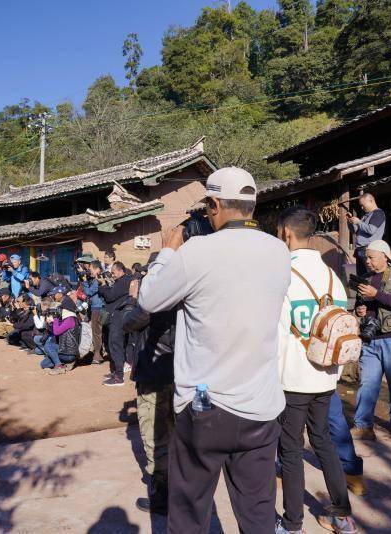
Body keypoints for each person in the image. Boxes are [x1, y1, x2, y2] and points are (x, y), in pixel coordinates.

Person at [137, 167, 291, 534]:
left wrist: (168, 253)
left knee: (190, 511)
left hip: (206, 408)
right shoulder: (279, 252)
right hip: (261, 408)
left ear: (214, 204)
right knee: (257, 512)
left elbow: (149, 299)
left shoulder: (196, 252)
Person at [274, 206, 359, 534]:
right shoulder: (332, 277)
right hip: (326, 375)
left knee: (291, 448)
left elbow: (280, 335)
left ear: (286, 233)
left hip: (293, 378)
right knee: (323, 441)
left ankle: (293, 523)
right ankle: (342, 515)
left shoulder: (285, 275)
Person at [352, 240, 391, 440]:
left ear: (385, 256)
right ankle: (363, 425)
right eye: (366, 257)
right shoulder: (366, 279)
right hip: (370, 340)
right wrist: (360, 310)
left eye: (371, 257)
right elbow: (364, 307)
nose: (367, 261)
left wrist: (376, 294)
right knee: (367, 384)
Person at [123, 299, 176, 516]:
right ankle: (180, 489)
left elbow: (130, 321)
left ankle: (163, 497)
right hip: (182, 370)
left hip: (155, 372)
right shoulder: (193, 284)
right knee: (177, 434)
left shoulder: (159, 290)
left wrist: (133, 301)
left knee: (155, 436)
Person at [99, 261, 133, 386]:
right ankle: (116, 372)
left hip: (119, 317)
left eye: (113, 273)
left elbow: (110, 296)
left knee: (115, 344)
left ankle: (119, 377)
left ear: (120, 270)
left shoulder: (124, 281)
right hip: (119, 316)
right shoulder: (122, 281)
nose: (112, 275)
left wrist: (103, 286)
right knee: (116, 345)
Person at [39, 286, 81, 375]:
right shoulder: (66, 318)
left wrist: (55, 319)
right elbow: (56, 330)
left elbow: (57, 332)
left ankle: (59, 366)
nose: (58, 310)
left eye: (60, 309)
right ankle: (65, 363)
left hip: (70, 351)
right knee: (44, 364)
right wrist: (51, 322)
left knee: (48, 346)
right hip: (65, 348)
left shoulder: (70, 319)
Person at [348, 193, 386, 276]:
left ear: (371, 201)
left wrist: (358, 222)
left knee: (371, 276)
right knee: (362, 276)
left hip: (369, 249)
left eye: (363, 205)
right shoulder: (366, 216)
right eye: (360, 206)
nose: (362, 208)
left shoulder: (378, 213)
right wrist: (350, 222)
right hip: (360, 249)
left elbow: (371, 230)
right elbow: (355, 231)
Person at [81, 260, 106, 365]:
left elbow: (89, 292)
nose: (89, 271)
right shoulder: (98, 278)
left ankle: (97, 355)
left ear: (96, 269)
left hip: (97, 308)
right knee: (98, 332)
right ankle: (98, 353)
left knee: (96, 332)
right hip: (98, 307)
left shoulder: (98, 280)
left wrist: (84, 281)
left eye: (90, 269)